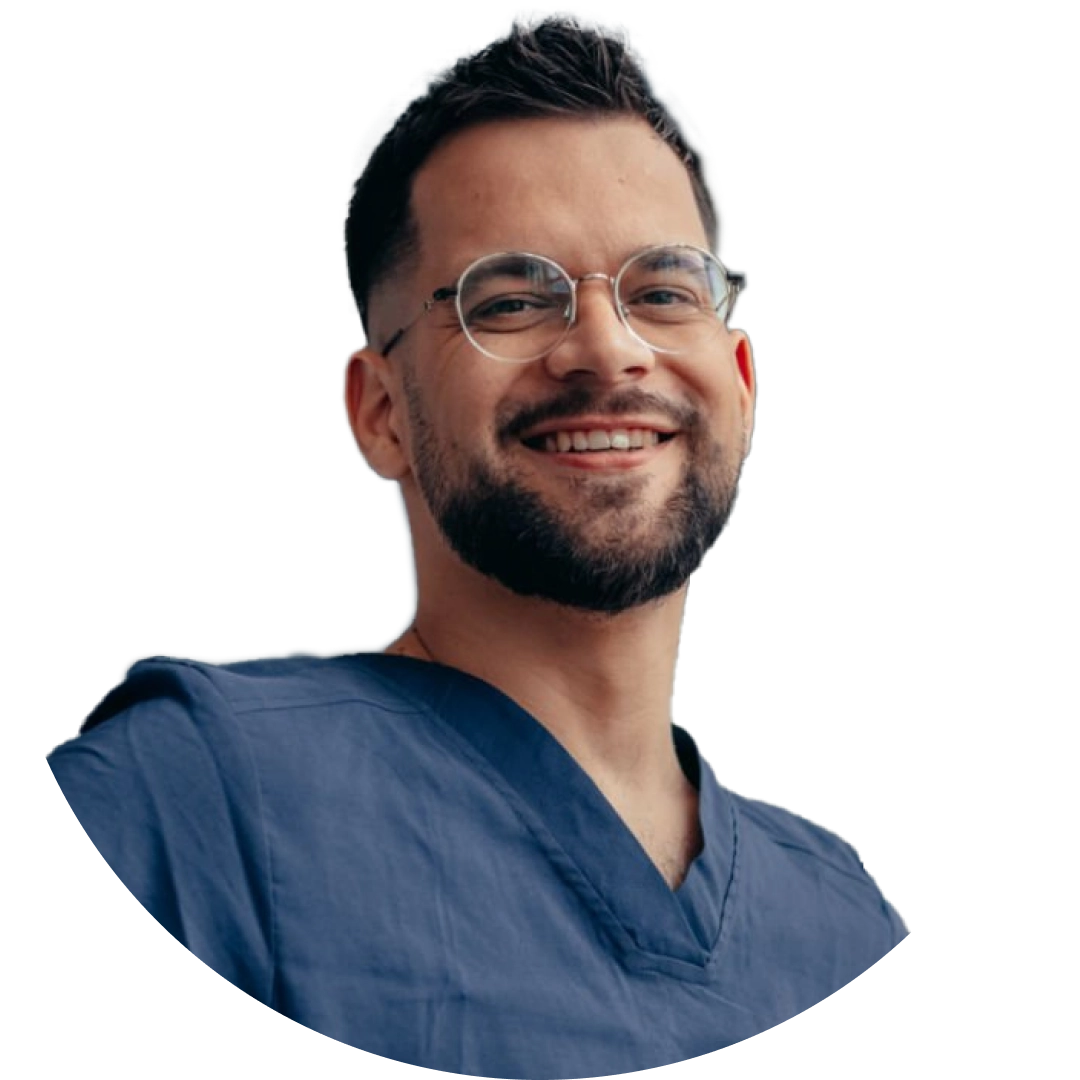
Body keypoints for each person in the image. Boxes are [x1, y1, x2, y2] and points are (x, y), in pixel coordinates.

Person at [45, 10, 908, 1077]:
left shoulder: (844, 924)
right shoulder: (195, 797)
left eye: (663, 292)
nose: (606, 349)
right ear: (378, 411)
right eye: (510, 298)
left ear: (742, 383)